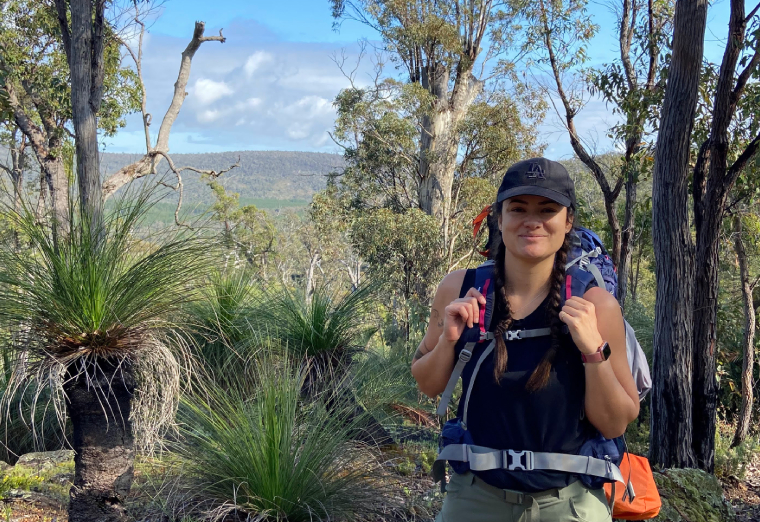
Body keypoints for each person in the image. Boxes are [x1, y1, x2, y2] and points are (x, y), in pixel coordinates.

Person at [411, 158, 640, 522]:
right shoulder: (460, 288)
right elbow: (427, 383)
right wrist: (448, 340)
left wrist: (593, 351)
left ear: (567, 222)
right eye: (517, 208)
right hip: (475, 498)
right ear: (499, 219)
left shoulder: (596, 305)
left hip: (569, 502)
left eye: (547, 209)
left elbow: (615, 424)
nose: (532, 220)